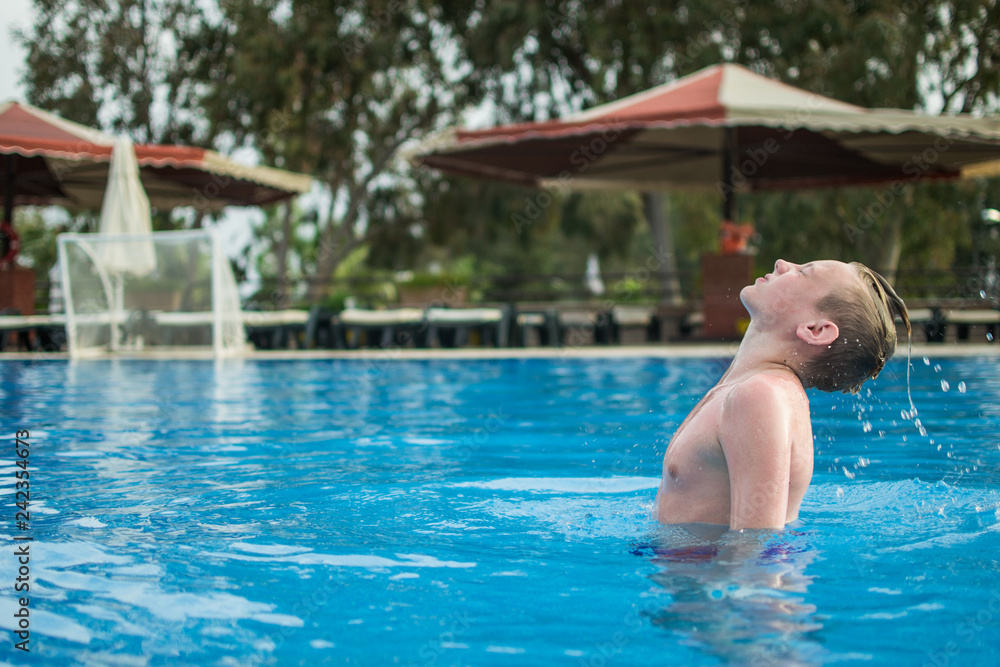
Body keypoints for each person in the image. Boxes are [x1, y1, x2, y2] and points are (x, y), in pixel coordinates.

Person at [655, 259, 910, 530]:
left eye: (804, 272)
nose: (782, 263)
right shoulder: (753, 389)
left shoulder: (760, 396)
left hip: (712, 572)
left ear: (815, 329)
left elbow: (757, 547)